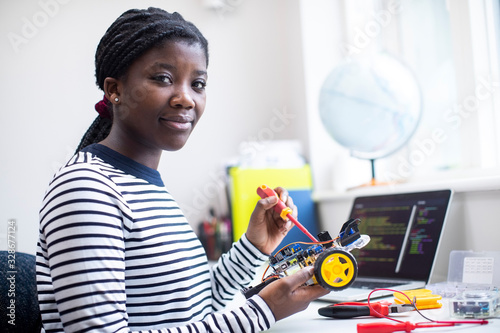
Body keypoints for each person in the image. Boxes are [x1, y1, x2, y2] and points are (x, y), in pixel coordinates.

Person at [36, 7, 328, 333]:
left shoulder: (145, 187)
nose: (186, 99)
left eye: (198, 83)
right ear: (114, 90)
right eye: (163, 78)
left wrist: (255, 244)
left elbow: (200, 306)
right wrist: (264, 310)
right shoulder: (86, 188)